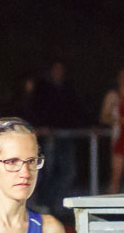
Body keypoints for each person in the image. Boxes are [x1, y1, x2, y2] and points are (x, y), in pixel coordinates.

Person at [33, 61, 88, 218]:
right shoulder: (43, 87)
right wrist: (41, 126)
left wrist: (87, 124)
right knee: (47, 170)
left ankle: (56, 203)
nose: (59, 72)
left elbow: (77, 108)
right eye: (56, 69)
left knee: (68, 171)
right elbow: (37, 108)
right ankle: (44, 203)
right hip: (48, 135)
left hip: (65, 134)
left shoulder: (67, 87)